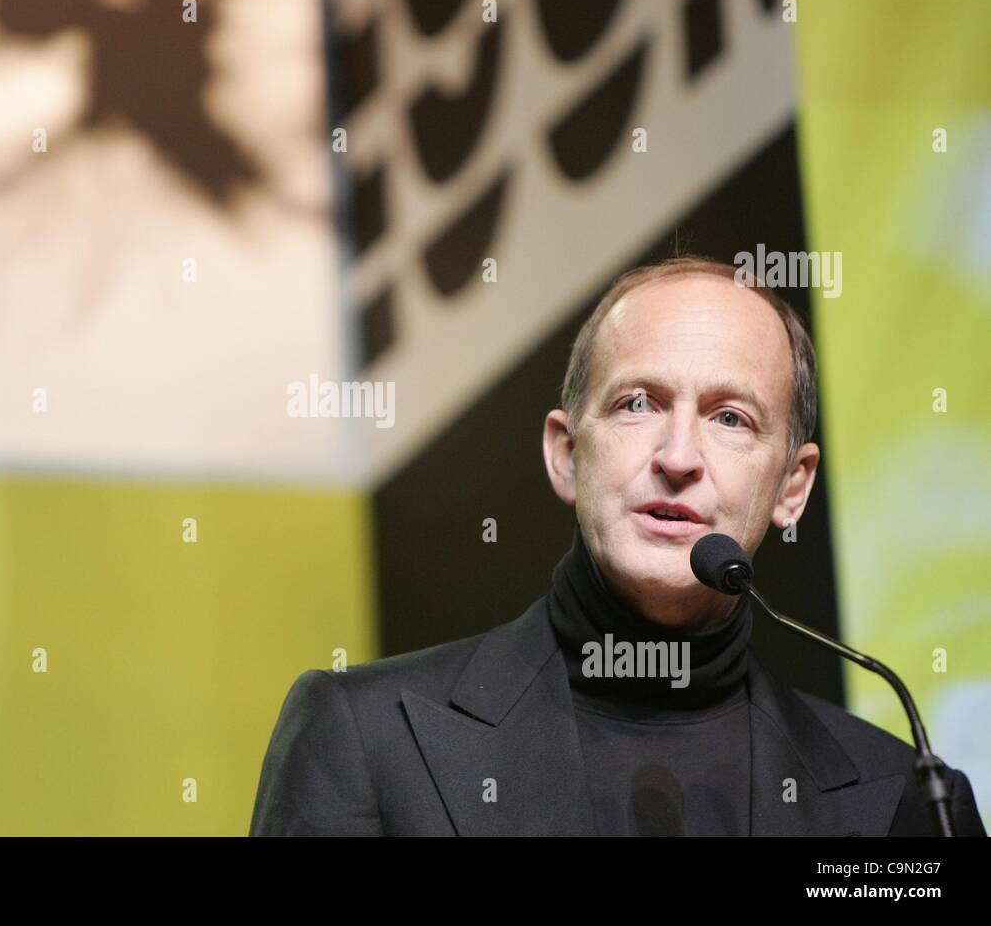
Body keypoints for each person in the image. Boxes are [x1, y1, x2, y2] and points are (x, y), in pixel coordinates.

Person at [249, 256, 986, 836]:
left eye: (730, 418)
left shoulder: (906, 800)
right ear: (567, 454)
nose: (678, 455)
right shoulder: (366, 739)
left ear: (793, 486)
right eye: (639, 403)